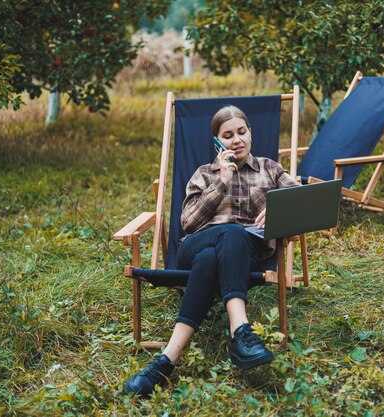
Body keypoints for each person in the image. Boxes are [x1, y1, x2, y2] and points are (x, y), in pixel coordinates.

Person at [124, 105, 299, 397]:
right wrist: (222, 181)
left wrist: (277, 204)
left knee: (218, 253)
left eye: (241, 132)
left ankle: (165, 362)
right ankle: (240, 330)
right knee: (228, 234)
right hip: (196, 245)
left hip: (246, 252)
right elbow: (188, 222)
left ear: (250, 132)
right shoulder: (204, 173)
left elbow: (300, 196)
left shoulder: (270, 168)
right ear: (218, 142)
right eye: (227, 135)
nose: (237, 140)